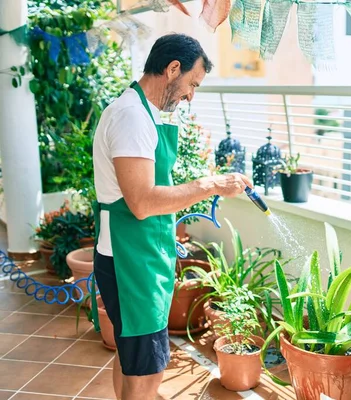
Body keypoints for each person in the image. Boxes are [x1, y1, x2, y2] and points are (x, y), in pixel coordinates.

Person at [90, 33, 252, 400]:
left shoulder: (143, 112)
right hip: (130, 257)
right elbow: (143, 202)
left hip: (140, 252)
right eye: (192, 83)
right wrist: (210, 184)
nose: (191, 94)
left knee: (132, 359)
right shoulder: (131, 116)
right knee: (147, 371)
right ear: (172, 68)